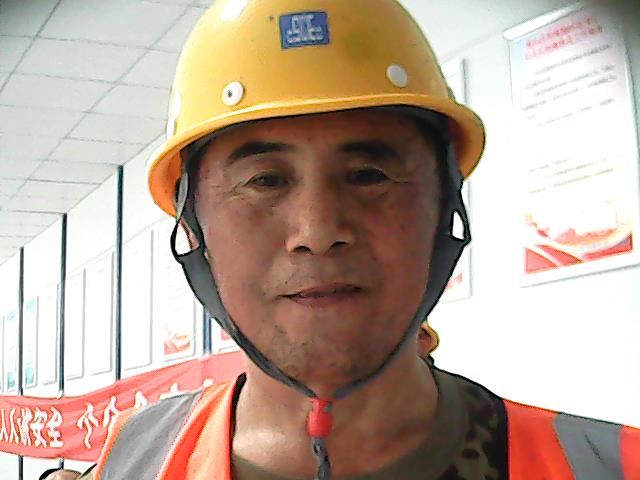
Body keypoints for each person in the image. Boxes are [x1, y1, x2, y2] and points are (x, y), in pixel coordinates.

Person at [45, 0, 640, 479]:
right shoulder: (131, 462)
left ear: (444, 211)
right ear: (193, 230)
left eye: (368, 175)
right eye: (264, 181)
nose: (317, 232)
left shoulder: (609, 466)